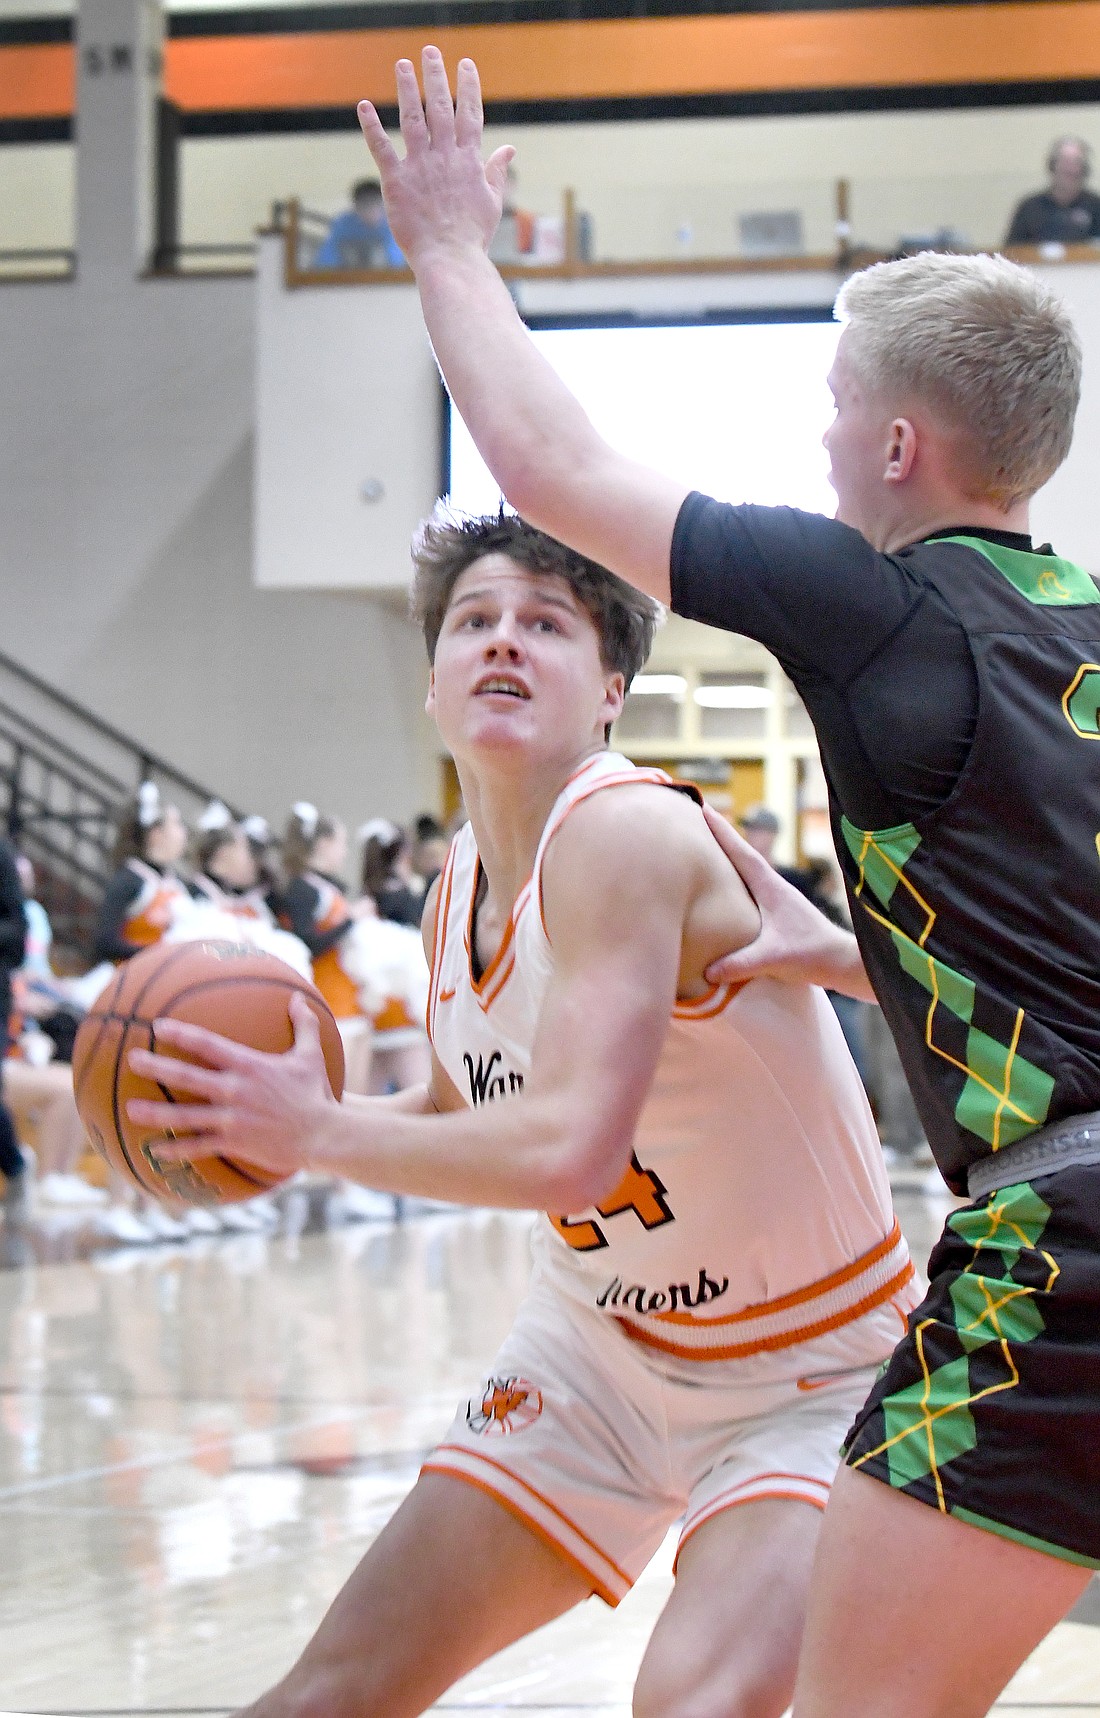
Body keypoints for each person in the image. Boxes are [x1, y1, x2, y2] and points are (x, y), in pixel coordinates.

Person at [353, 51, 1100, 1714]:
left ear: (902, 442)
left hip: (1063, 1253)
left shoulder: (883, 603)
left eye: (837, 403)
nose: (824, 436)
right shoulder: (1086, 637)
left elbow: (546, 467)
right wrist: (850, 955)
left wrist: (452, 247)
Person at [127, 512, 917, 1718]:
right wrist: (271, 1121)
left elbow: (563, 1150)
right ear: (435, 683)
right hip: (592, 1353)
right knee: (326, 1694)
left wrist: (318, 1133)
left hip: (804, 1374)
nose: (503, 642)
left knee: (693, 1704)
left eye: (545, 623)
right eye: (474, 622)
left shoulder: (622, 828)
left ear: (609, 689)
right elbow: (461, 1104)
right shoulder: (455, 889)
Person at [1005, 135, 1100, 245]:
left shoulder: (1096, 206)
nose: (1070, 169)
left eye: (1076, 162)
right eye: (1065, 161)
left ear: (1085, 169)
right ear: (1052, 165)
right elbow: (1012, 251)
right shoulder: (1030, 207)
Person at [312, 178, 404, 270]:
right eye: (365, 206)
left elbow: (396, 263)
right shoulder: (344, 224)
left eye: (375, 205)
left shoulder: (393, 224)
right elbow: (327, 258)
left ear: (384, 204)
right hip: (348, 277)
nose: (370, 211)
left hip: (385, 279)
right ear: (356, 207)